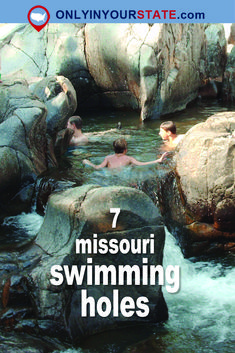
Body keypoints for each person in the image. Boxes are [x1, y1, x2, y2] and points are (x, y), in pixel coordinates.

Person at [83, 138, 167, 169]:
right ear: (125, 150)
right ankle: (120, 209)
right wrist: (158, 160)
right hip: (123, 178)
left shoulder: (108, 158)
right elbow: (142, 164)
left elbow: (97, 167)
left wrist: (88, 162)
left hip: (110, 178)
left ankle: (114, 209)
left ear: (114, 149)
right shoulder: (129, 158)